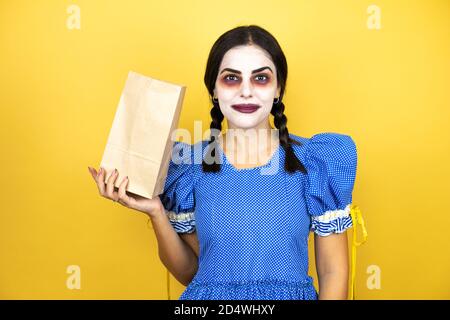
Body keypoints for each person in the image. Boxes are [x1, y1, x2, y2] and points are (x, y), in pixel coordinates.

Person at [88, 25, 357, 300]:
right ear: (214, 90)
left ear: (278, 89)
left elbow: (333, 272)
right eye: (231, 78)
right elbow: (191, 273)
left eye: (261, 78)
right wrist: (156, 211)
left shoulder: (313, 163)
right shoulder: (190, 168)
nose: (246, 91)